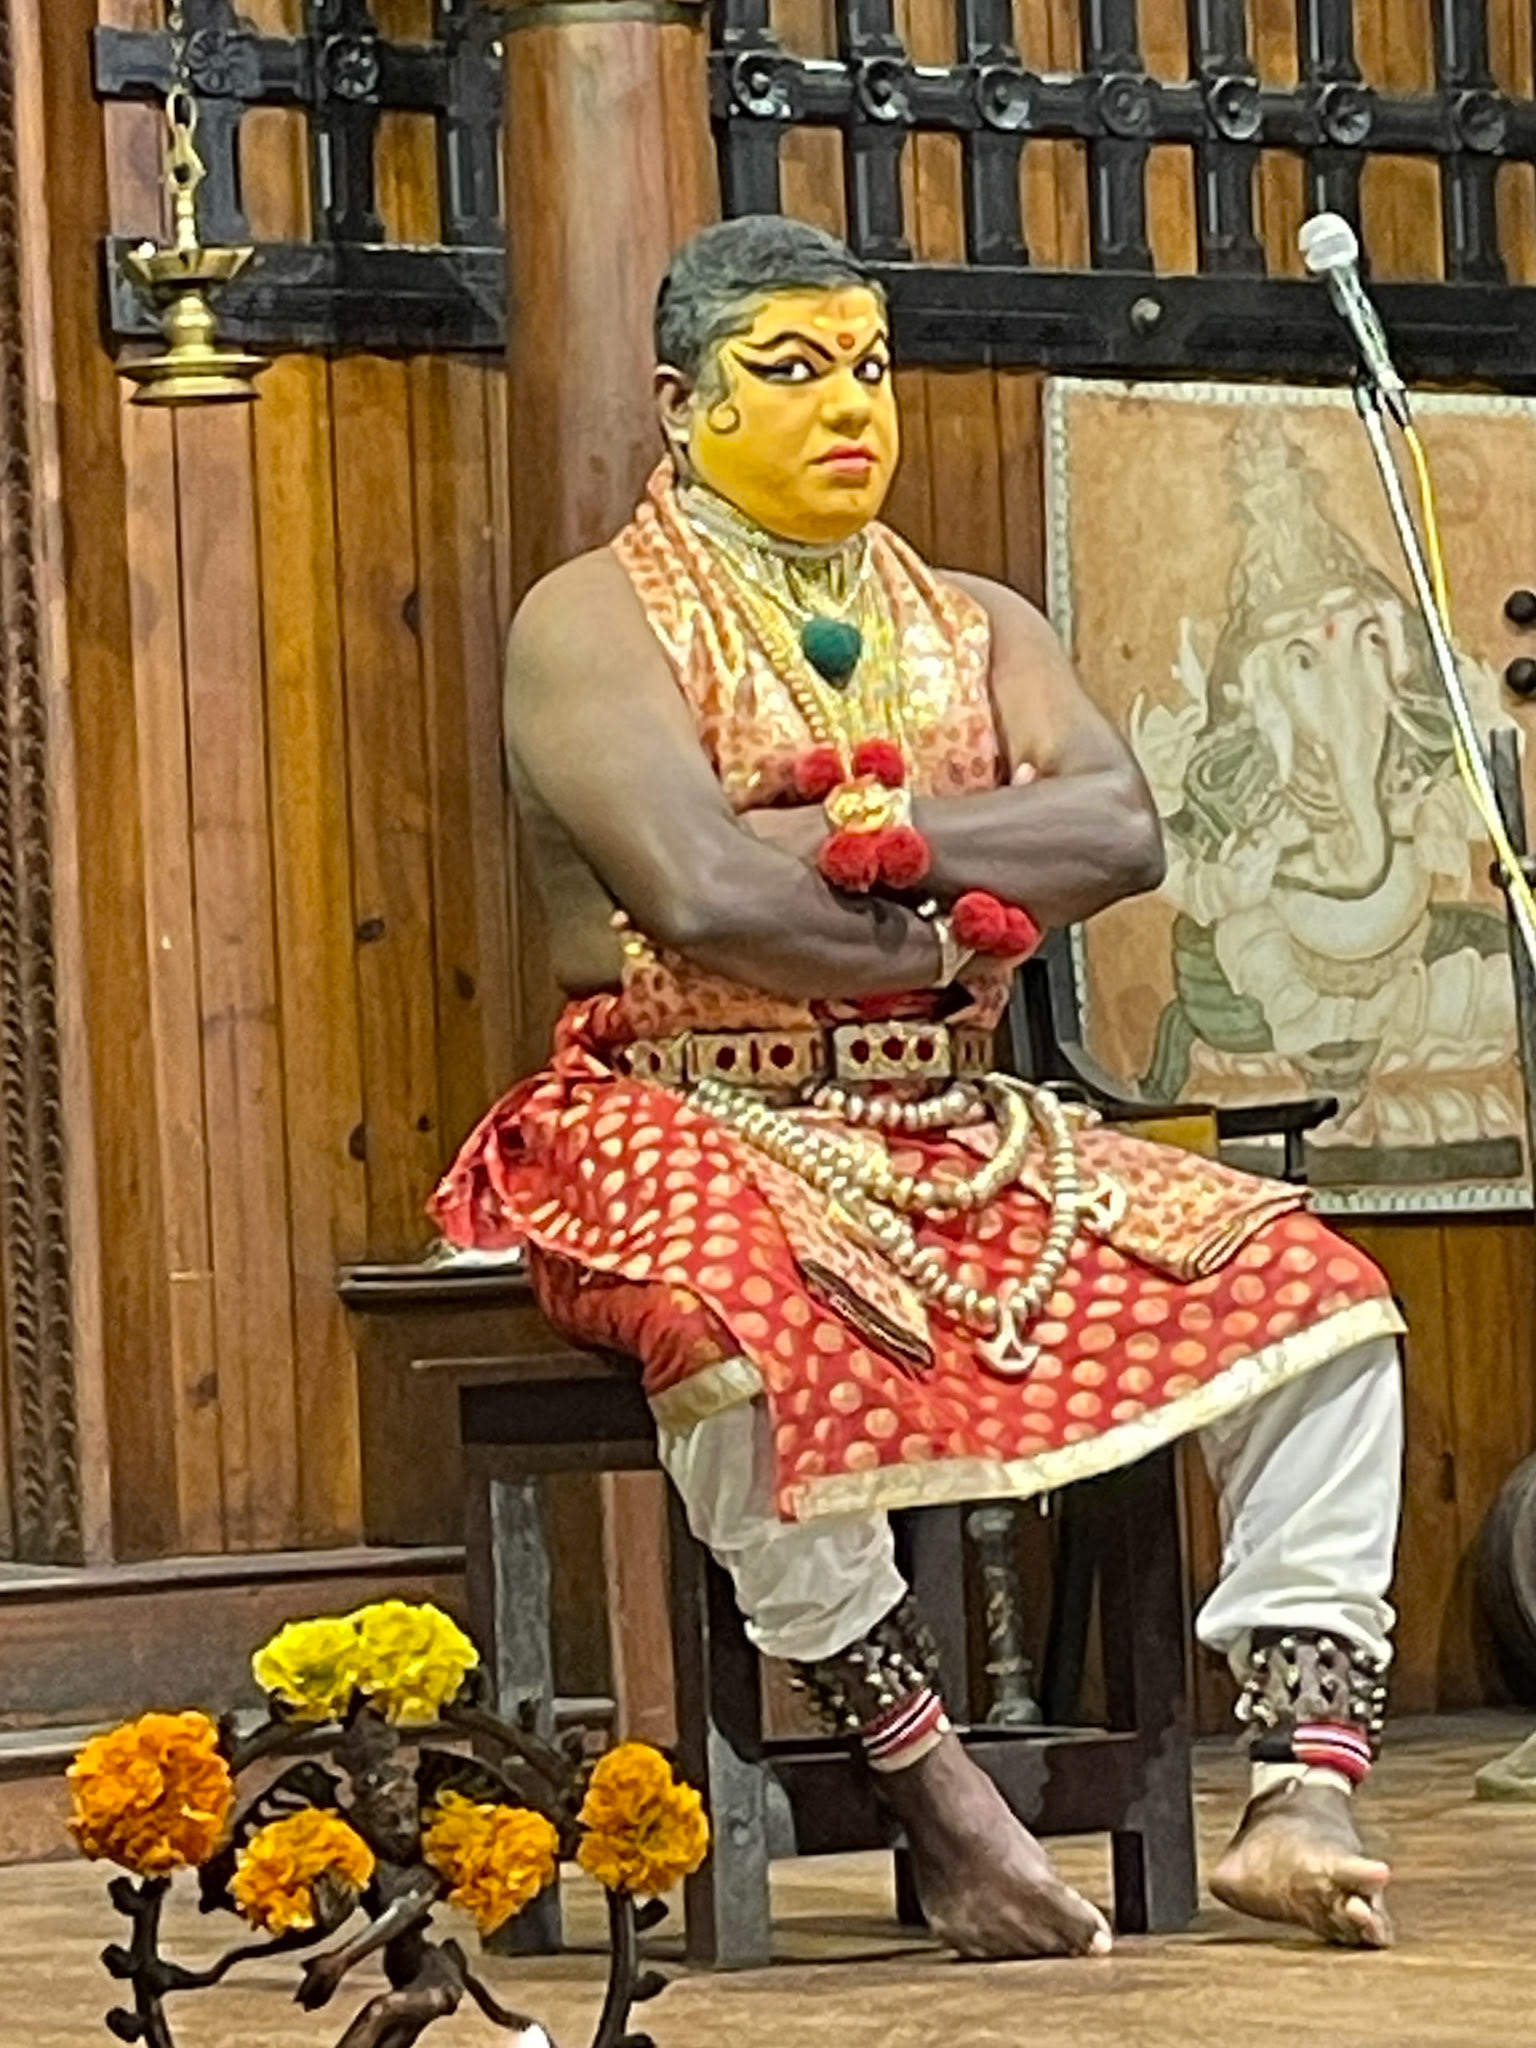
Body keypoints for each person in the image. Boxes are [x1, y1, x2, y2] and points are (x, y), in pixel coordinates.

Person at [431, 216, 1406, 1959]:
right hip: (676, 1108)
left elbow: (1118, 830)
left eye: (869, 367)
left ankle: (1302, 1784)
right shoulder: (590, 621)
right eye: (790, 371)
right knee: (733, 1321)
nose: (848, 407)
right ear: (680, 400)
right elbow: (702, 900)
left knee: (1319, 1296)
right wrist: (943, 925)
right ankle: (932, 1788)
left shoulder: (978, 621)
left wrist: (869, 842)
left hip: (956, 1124)